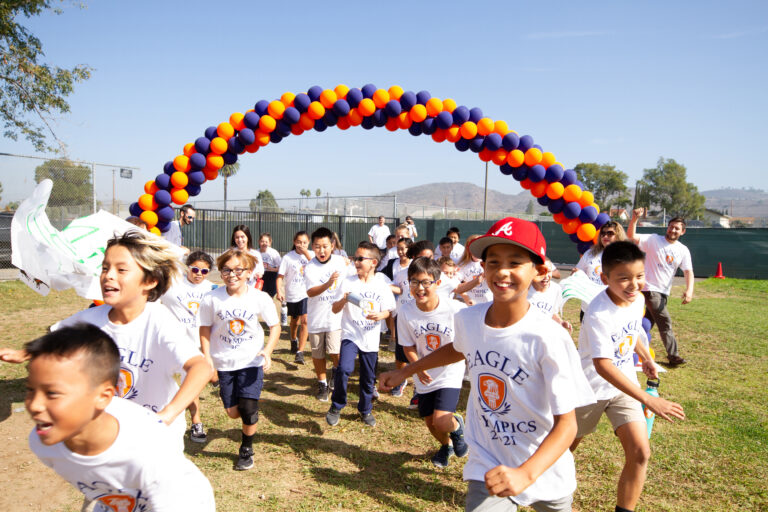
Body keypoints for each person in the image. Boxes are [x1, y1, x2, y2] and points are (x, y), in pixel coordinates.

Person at [380, 217, 595, 512]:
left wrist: (526, 473)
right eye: (493, 262)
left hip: (545, 468)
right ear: (483, 268)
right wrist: (405, 371)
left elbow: (567, 424)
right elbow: (456, 349)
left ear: (539, 270)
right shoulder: (468, 320)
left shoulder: (550, 337)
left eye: (515, 262)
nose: (502, 271)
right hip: (488, 462)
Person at [24, 325, 215, 511]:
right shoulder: (43, 444)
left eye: (52, 393)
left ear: (103, 396)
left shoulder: (149, 456)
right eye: (30, 390)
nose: (34, 405)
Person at [572, 241, 686, 512]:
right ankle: (535, 487)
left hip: (624, 388)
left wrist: (646, 357)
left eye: (639, 276)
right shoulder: (598, 313)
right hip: (589, 389)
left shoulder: (636, 300)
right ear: (605, 278)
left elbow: (633, 332)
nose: (633, 285)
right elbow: (603, 366)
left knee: (640, 452)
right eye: (623, 278)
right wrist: (649, 399)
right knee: (563, 451)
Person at [199, 248, 281, 471]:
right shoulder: (211, 299)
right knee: (233, 412)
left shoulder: (260, 298)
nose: (231, 274)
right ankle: (244, 409)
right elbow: (205, 328)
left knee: (247, 408)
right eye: (226, 270)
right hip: (224, 362)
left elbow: (275, 326)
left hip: (251, 362)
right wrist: (207, 359)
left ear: (249, 272)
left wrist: (268, 351)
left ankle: (246, 449)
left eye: (238, 270)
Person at [397, 257, 469, 467]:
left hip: (450, 371)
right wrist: (416, 367)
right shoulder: (406, 311)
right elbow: (408, 345)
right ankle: (445, 446)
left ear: (438, 283)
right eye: (414, 282)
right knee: (430, 421)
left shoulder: (454, 309)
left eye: (426, 282)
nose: (419, 288)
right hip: (424, 371)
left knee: (441, 419)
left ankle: (456, 427)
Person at [326, 241, 395, 428]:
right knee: (344, 369)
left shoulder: (381, 285)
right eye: (355, 258)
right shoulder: (347, 282)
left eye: (360, 259)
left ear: (373, 262)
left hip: (371, 338)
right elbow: (334, 309)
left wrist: (381, 315)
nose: (355, 262)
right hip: (351, 334)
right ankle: (336, 405)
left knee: (368, 376)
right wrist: (343, 299)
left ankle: (365, 410)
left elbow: (388, 310)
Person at [160, 250, 216, 443]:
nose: (199, 273)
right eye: (195, 269)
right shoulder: (172, 284)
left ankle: (196, 421)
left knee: (190, 384)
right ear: (187, 268)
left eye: (204, 271)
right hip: (170, 343)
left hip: (196, 347)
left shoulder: (213, 289)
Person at [627, 209, 694, 366]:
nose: (673, 230)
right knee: (665, 322)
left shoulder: (683, 250)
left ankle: (630, 349)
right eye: (671, 227)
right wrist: (634, 219)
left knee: (646, 324)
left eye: (677, 228)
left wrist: (689, 290)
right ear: (667, 227)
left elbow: (688, 271)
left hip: (663, 293)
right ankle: (673, 356)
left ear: (682, 232)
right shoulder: (653, 240)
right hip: (649, 289)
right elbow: (631, 236)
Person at [304, 227, 348, 401]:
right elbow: (311, 292)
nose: (321, 250)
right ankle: (322, 384)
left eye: (325, 246)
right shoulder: (310, 267)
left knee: (335, 352)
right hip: (316, 318)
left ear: (332, 245)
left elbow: (352, 277)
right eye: (317, 246)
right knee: (317, 354)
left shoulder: (341, 262)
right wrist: (329, 283)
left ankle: (335, 377)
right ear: (312, 247)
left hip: (336, 318)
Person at [572, 221, 627, 321]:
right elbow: (578, 271)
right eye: (603, 233)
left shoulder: (625, 256)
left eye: (610, 233)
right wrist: (576, 274)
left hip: (611, 309)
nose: (605, 236)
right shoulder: (590, 253)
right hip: (588, 307)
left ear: (618, 235)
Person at [276, 231, 314, 364]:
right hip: (292, 293)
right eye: (299, 242)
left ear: (308, 243)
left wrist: (306, 254)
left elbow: (318, 266)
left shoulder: (312, 255)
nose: (301, 245)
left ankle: (300, 352)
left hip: (306, 293)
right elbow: (280, 277)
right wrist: (279, 291)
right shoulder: (287, 258)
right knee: (295, 322)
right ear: (294, 242)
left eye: (304, 242)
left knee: (305, 321)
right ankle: (293, 339)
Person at [527, 259, 571, 333]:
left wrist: (561, 322)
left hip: (545, 336)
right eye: (541, 272)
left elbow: (553, 313)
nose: (546, 276)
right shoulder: (524, 289)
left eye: (549, 272)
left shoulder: (556, 289)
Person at [457, 234, 492, 306]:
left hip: (489, 303)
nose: (477, 250)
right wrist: (467, 298)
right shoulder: (462, 265)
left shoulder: (490, 262)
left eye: (479, 246)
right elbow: (456, 287)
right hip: (471, 305)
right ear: (468, 248)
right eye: (473, 247)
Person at [258, 232, 282, 298]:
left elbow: (281, 268)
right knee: (260, 297)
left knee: (269, 297)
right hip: (260, 277)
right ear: (259, 242)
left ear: (270, 243)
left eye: (266, 242)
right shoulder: (256, 253)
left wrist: (271, 269)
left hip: (271, 276)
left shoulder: (274, 253)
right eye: (262, 241)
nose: (264, 243)